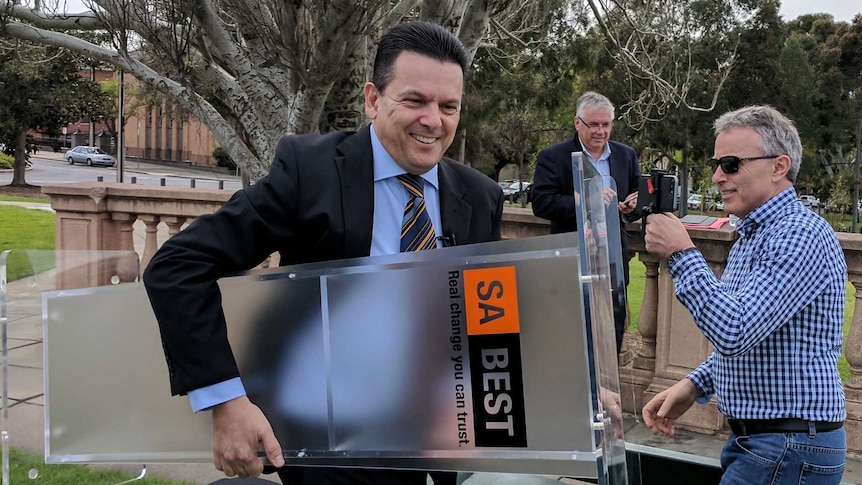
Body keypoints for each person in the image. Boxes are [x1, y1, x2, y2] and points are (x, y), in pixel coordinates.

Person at [143, 21, 503, 485]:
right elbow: (178, 266)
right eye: (414, 100)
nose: (433, 120)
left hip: (435, 440)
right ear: (373, 99)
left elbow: (486, 317)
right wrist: (226, 402)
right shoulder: (308, 171)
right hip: (328, 434)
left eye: (448, 106)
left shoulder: (480, 197)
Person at [642, 105, 846, 484]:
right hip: (772, 443)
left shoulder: (799, 233)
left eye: (732, 164)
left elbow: (734, 329)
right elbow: (759, 341)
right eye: (716, 163)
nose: (718, 176)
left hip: (788, 445)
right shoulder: (756, 235)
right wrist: (695, 384)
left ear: (779, 166)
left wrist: (682, 253)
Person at [531, 91, 641, 354]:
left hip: (613, 260)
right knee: (568, 335)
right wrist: (583, 199)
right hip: (571, 259)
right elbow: (541, 202)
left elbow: (635, 202)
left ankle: (606, 393)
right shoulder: (554, 157)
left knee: (611, 334)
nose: (600, 131)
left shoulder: (626, 156)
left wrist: (628, 208)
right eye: (594, 124)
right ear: (577, 122)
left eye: (606, 124)